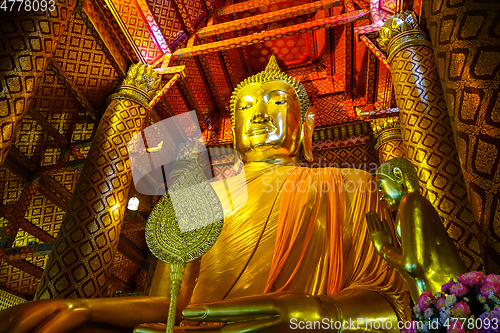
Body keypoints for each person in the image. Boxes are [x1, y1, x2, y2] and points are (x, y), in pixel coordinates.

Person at [0, 56, 407, 333]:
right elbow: (170, 306)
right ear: (232, 127)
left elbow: (397, 308)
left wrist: (314, 314)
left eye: (276, 101)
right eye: (246, 107)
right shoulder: (197, 197)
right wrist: (86, 307)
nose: (260, 115)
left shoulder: (352, 185)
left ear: (306, 125)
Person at [366, 157, 467, 301]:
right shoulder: (407, 207)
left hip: (449, 299)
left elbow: (412, 265)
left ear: (398, 175)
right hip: (440, 300)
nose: (381, 196)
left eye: (381, 186)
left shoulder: (411, 201)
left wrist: (384, 248)